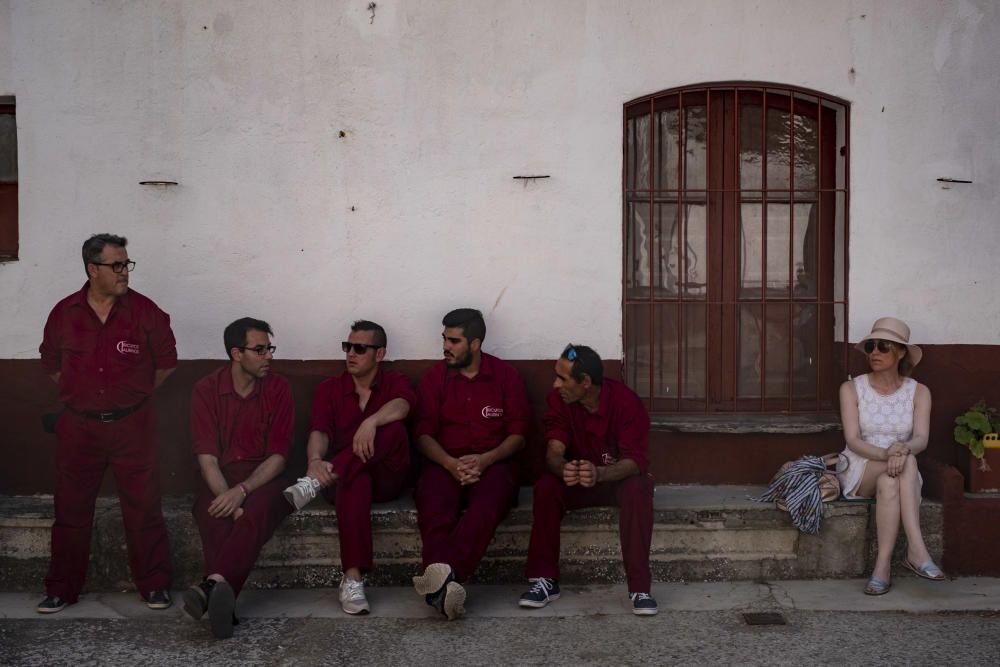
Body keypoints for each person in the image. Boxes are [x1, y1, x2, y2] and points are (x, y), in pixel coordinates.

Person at [37, 233, 176, 613]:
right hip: (78, 429)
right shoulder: (64, 313)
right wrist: (79, 397)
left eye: (126, 264)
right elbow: (51, 363)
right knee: (70, 510)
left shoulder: (145, 312)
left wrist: (133, 395)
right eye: (116, 265)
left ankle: (155, 585)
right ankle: (61, 589)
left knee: (144, 507)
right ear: (92, 269)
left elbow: (166, 362)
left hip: (132, 426)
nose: (124, 272)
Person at [284, 320, 416, 615]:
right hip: (345, 483)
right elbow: (319, 432)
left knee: (393, 431)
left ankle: (316, 482)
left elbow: (404, 406)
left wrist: (371, 421)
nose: (350, 354)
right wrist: (314, 462)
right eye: (347, 347)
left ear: (379, 354)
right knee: (355, 481)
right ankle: (353, 579)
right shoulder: (330, 389)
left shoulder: (394, 381)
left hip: (386, 479)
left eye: (360, 348)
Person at [519, 344, 658, 615]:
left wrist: (601, 473)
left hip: (614, 480)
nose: (555, 384)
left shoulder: (627, 403)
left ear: (585, 382)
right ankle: (544, 580)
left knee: (637, 489)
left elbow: (634, 461)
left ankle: (640, 588)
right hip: (579, 481)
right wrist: (563, 468)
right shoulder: (560, 400)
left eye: (562, 378)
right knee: (546, 487)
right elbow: (554, 449)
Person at [411, 308, 531, 620]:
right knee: (435, 507)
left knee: (486, 507)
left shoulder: (506, 377)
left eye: (454, 340)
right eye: (444, 339)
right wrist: (450, 463)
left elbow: (518, 436)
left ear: (475, 344)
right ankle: (446, 589)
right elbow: (423, 435)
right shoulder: (435, 378)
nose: (445, 346)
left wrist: (486, 459)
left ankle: (442, 581)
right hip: (443, 462)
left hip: (494, 464)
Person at [183, 317, 294, 638]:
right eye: (259, 350)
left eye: (269, 348)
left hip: (265, 480)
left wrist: (243, 491)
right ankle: (222, 601)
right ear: (236, 353)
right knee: (212, 514)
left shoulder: (279, 388)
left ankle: (212, 585)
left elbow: (278, 457)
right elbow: (207, 458)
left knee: (256, 513)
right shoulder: (206, 389)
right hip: (221, 478)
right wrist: (229, 499)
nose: (268, 356)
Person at [836, 317, 944, 595]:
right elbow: (853, 440)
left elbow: (921, 438)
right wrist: (888, 453)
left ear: (901, 352)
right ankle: (917, 550)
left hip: (901, 470)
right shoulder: (851, 389)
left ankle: (881, 568)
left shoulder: (920, 392)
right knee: (903, 463)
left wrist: (904, 449)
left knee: (890, 481)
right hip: (862, 467)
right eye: (871, 346)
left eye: (883, 346)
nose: (874, 352)